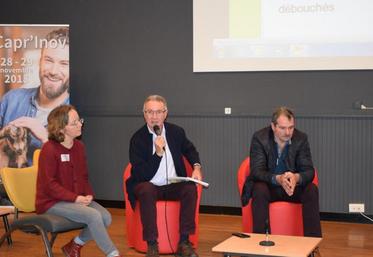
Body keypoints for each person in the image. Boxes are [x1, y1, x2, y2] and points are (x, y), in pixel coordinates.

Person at [36, 105, 123, 257]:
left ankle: (74, 245)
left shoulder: (79, 147)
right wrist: (74, 198)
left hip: (74, 198)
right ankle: (113, 254)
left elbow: (83, 176)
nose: (80, 124)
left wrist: (88, 195)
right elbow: (49, 185)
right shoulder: (49, 149)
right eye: (74, 122)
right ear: (61, 128)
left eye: (79, 120)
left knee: (106, 217)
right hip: (51, 202)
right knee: (94, 216)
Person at [126, 95, 202, 257]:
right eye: (149, 112)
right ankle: (152, 244)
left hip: (173, 184)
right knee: (146, 189)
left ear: (165, 113)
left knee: (189, 188)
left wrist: (196, 167)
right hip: (148, 184)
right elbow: (141, 174)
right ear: (144, 114)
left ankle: (184, 242)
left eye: (158, 112)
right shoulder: (137, 139)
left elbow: (190, 150)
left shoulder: (176, 132)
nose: (154, 116)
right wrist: (158, 154)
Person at [241, 107, 322, 254]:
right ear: (273, 126)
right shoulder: (260, 138)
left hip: (292, 187)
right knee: (258, 189)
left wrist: (296, 178)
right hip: (270, 186)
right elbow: (257, 171)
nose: (288, 132)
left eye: (291, 127)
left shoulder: (301, 138)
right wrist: (277, 179)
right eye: (283, 128)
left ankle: (312, 247)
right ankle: (260, 244)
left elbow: (309, 170)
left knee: (311, 190)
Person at [0, 27, 70, 165]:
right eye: (48, 60)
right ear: (40, 61)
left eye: (64, 64)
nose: (53, 71)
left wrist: (46, 139)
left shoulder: (77, 114)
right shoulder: (11, 100)